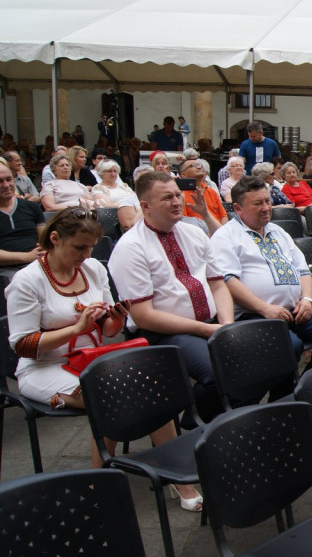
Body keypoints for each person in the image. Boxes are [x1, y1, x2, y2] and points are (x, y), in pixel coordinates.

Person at [5, 208, 204, 508]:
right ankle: (104, 479)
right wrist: (76, 328)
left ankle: (117, 475)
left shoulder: (93, 270)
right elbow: (22, 345)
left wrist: (114, 318)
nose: (86, 255)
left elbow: (108, 330)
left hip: (93, 360)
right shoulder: (27, 281)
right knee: (113, 395)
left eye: (90, 248)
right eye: (79, 247)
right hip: (44, 367)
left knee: (152, 387)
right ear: (55, 239)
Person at [108, 171, 233, 425]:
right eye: (167, 198)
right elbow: (143, 316)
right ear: (145, 206)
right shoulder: (130, 247)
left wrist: (227, 326)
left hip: (208, 325)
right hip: (158, 334)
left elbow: (218, 284)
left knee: (250, 358)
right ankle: (193, 422)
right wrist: (208, 330)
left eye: (177, 194)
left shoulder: (194, 233)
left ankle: (216, 422)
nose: (177, 202)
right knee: (221, 370)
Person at [211, 175, 312, 372]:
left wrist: (307, 300)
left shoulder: (278, 231)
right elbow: (228, 281)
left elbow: (303, 270)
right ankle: (283, 396)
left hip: (294, 311)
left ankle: (310, 385)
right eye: (258, 203)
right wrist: (265, 309)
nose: (266, 207)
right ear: (238, 208)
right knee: (290, 346)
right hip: (255, 315)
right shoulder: (226, 236)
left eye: (267, 201)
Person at [0, 164, 45, 280]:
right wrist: (27, 257)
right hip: (5, 271)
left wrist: (44, 251)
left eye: (9, 179)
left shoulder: (31, 207)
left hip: (37, 264)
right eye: (0, 181)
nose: (6, 185)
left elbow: (45, 239)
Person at [179, 158, 229, 235]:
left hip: (219, 233)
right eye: (193, 166)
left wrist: (221, 233)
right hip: (198, 235)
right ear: (183, 174)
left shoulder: (211, 191)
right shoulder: (181, 195)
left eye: (199, 165)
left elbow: (223, 216)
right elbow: (185, 222)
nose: (199, 167)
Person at [90, 160, 141, 232]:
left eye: (115, 171)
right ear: (101, 173)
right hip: (116, 219)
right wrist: (128, 204)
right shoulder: (98, 188)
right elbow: (106, 205)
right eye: (109, 171)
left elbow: (136, 198)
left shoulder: (124, 186)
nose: (113, 174)